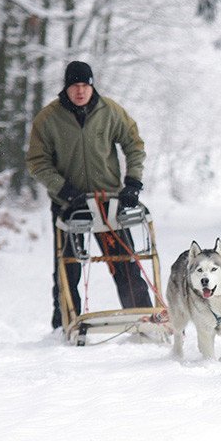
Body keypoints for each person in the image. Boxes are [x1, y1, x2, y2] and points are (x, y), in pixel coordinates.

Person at [26, 60, 153, 329]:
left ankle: (143, 317)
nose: (80, 91)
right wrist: (63, 189)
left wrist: (133, 181)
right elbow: (38, 161)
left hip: (108, 202)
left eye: (85, 85)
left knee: (124, 263)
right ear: (67, 88)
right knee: (68, 266)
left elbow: (134, 144)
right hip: (69, 205)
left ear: (92, 86)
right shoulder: (48, 118)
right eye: (75, 86)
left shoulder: (110, 111)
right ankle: (65, 324)